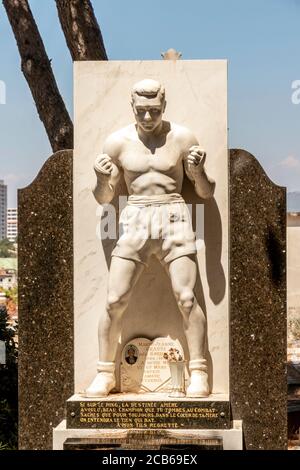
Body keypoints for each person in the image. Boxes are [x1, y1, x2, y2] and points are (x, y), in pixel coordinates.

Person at [86, 79, 215, 398]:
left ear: (164, 106)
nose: (147, 118)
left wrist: (198, 173)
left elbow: (205, 192)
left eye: (154, 111)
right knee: (114, 300)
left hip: (173, 214)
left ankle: (198, 371)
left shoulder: (183, 138)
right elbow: (105, 199)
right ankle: (105, 374)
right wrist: (101, 179)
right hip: (136, 216)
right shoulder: (116, 143)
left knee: (186, 297)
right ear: (132, 107)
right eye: (141, 111)